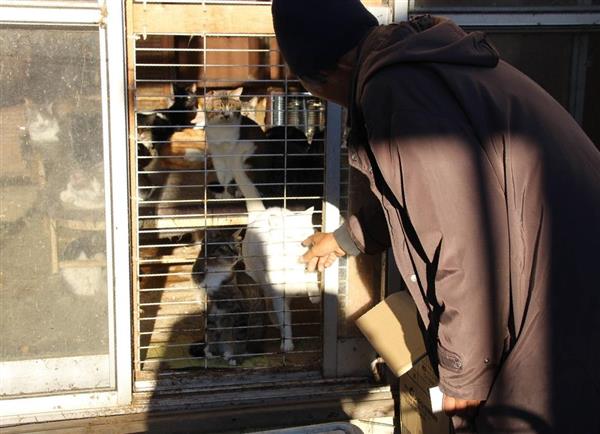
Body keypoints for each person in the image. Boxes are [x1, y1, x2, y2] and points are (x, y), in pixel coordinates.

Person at [272, 1, 600, 433]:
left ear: (334, 68)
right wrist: (345, 239)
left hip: (560, 294)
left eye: (312, 87)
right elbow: (427, 200)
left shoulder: (398, 91)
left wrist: (463, 375)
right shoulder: (422, 62)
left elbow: (463, 248)